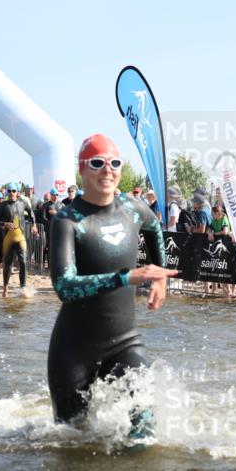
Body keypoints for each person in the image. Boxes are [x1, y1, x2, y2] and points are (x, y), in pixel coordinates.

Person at [47, 134, 176, 439]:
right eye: (97, 163)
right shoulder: (67, 221)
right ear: (82, 169)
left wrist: (159, 278)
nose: (107, 170)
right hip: (73, 350)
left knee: (144, 422)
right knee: (70, 440)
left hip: (124, 342)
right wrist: (124, 278)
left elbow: (155, 227)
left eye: (114, 163)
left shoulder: (133, 209)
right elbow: (64, 287)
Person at [0, 183, 38, 298]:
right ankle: (5, 288)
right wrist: (4, 224)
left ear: (17, 192)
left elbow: (31, 214)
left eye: (13, 191)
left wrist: (34, 225)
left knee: (23, 261)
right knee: (8, 265)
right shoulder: (3, 205)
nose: (11, 193)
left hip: (21, 237)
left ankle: (23, 287)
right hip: (8, 238)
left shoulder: (23, 203)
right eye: (9, 191)